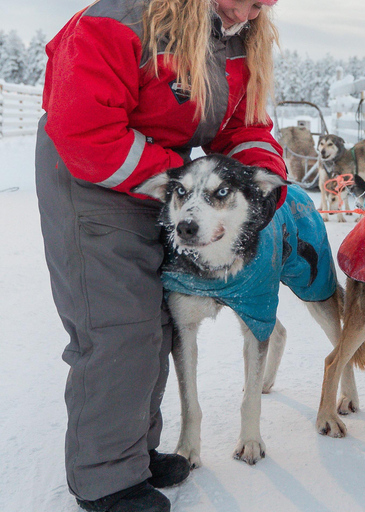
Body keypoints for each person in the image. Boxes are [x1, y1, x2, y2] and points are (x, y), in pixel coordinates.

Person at [35, 1, 284, 511]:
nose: (267, 5)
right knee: (116, 324)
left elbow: (245, 127)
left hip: (162, 186)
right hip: (92, 177)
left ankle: (132, 453)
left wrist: (260, 183)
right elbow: (85, 130)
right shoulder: (123, 18)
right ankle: (106, 481)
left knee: (156, 320)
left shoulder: (236, 38)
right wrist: (177, 177)